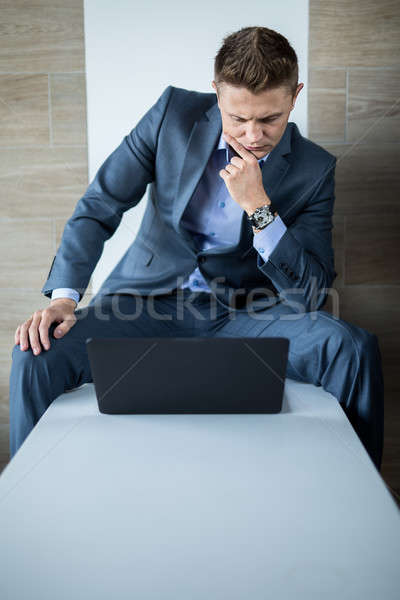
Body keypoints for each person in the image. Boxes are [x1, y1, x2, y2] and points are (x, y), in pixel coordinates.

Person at [9, 26, 384, 470]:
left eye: (269, 119)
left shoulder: (315, 168)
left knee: (352, 347)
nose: (252, 135)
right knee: (36, 350)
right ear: (216, 94)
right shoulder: (172, 114)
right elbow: (101, 204)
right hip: (146, 306)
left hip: (247, 314)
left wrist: (260, 208)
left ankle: (353, 491)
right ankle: (30, 489)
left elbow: (310, 295)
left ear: (295, 95)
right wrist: (65, 299)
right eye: (237, 118)